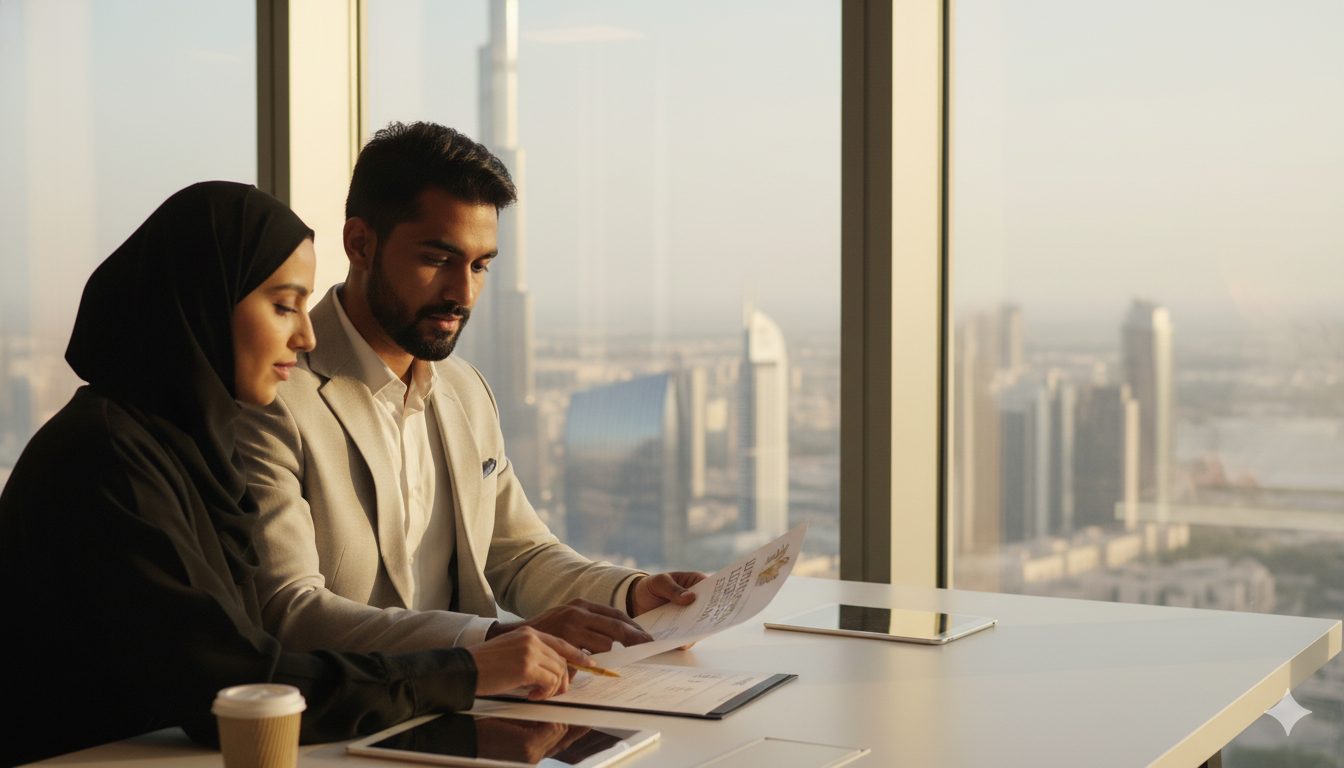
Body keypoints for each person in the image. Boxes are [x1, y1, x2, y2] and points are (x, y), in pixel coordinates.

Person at [0, 182, 591, 767]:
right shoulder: (109, 462)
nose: (306, 334)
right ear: (206, 303)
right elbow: (233, 684)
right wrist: (465, 669)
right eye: (284, 305)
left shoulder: (182, 451)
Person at [237, 122, 704, 656]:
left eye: (480, 266)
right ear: (360, 244)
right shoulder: (276, 396)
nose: (462, 293)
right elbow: (289, 610)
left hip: (473, 707)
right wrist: (491, 641)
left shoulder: (466, 390)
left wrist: (634, 594)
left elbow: (517, 554)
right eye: (438, 260)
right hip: (345, 725)